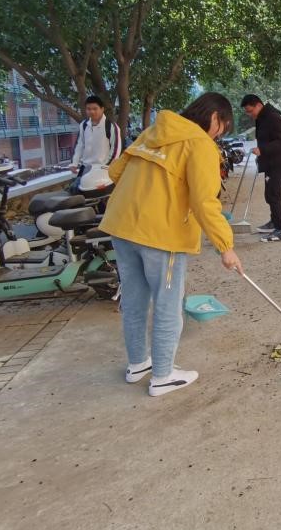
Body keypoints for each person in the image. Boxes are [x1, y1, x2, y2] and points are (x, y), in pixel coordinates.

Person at [100, 93, 243, 397]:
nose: (219, 134)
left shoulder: (153, 131)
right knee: (167, 305)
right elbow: (204, 202)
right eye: (222, 127)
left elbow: (115, 172)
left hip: (121, 225)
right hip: (159, 235)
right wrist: (225, 246)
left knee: (134, 300)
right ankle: (162, 376)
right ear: (214, 118)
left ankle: (138, 363)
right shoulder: (200, 144)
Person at [241, 94, 281, 242]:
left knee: (274, 194)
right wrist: (261, 154)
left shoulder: (273, 118)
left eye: (250, 111)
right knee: (269, 194)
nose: (250, 114)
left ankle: (280, 230)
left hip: (279, 162)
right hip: (270, 161)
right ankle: (274, 222)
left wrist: (262, 150)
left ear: (258, 105)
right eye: (247, 112)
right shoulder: (262, 118)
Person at [70, 95, 121, 191]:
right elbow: (79, 145)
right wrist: (74, 163)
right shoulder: (84, 125)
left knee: (99, 197)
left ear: (102, 109)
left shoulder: (111, 126)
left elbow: (116, 150)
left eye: (95, 109)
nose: (92, 112)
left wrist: (106, 167)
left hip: (103, 169)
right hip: (86, 168)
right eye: (89, 109)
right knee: (75, 191)